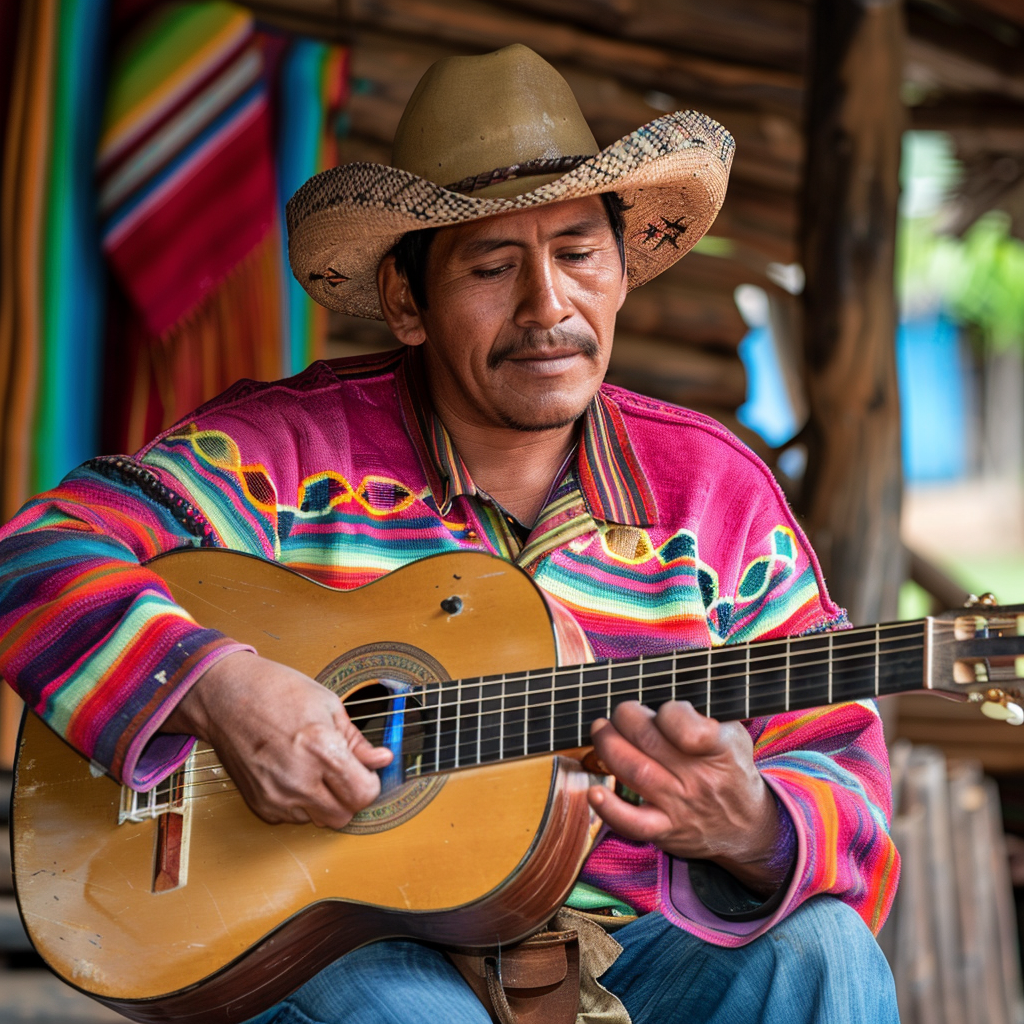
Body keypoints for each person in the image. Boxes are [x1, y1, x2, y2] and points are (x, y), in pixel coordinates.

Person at [0, 44, 898, 1023]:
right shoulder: (286, 454)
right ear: (405, 301)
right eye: (491, 264)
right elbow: (35, 555)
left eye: (577, 254)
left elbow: (840, 768)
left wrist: (754, 826)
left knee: (824, 953)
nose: (546, 305)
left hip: (639, 952)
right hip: (339, 945)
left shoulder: (714, 496)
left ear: (624, 270)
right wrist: (215, 687)